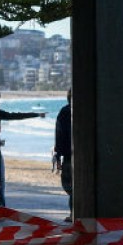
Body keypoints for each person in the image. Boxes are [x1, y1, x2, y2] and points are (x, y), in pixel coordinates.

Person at [53, 89, 73, 220]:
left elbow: (59, 134)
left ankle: (74, 213)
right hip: (74, 154)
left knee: (69, 185)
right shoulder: (66, 112)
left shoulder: (64, 112)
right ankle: (75, 212)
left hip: (68, 154)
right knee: (71, 185)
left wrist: (57, 154)